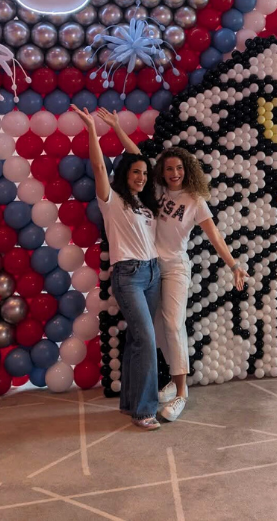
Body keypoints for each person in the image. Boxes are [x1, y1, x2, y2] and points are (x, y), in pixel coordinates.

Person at [97, 108, 247, 423]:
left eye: (179, 168)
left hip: (176, 268)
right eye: (169, 169)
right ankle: (170, 385)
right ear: (163, 173)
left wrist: (234, 264)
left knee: (173, 325)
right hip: (151, 268)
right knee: (158, 332)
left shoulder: (195, 201)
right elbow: (135, 156)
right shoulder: (159, 191)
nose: (174, 173)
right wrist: (116, 128)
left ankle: (181, 394)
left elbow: (215, 235)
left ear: (187, 170)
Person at [71, 105, 162, 431]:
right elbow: (98, 165)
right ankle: (145, 410)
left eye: (144, 174)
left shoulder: (143, 202)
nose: (140, 177)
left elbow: (138, 156)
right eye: (135, 172)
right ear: (124, 174)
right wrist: (94, 132)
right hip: (130, 276)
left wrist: (119, 129)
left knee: (139, 341)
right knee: (147, 340)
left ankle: (130, 404)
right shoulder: (112, 200)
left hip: (153, 273)